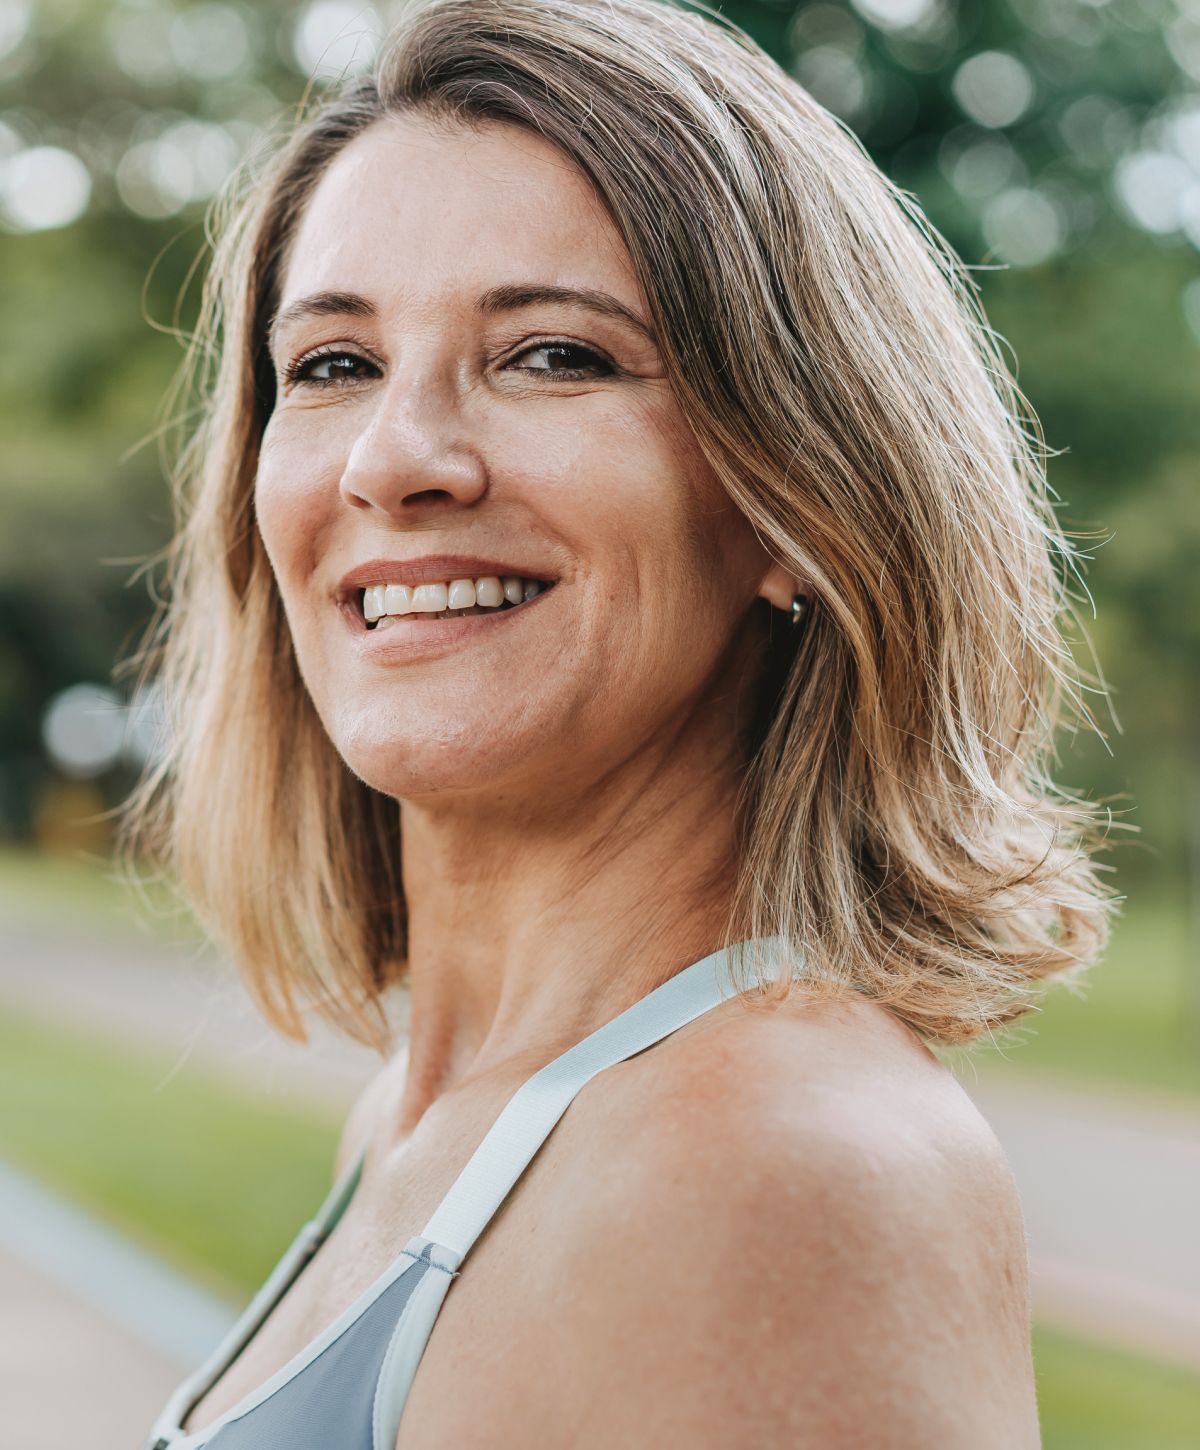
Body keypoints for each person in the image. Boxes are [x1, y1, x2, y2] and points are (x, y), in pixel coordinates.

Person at [124, 0, 1117, 1444]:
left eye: (553, 355)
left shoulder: (776, 1162)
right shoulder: (417, 1116)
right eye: (334, 364)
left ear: (793, 496)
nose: (395, 460)